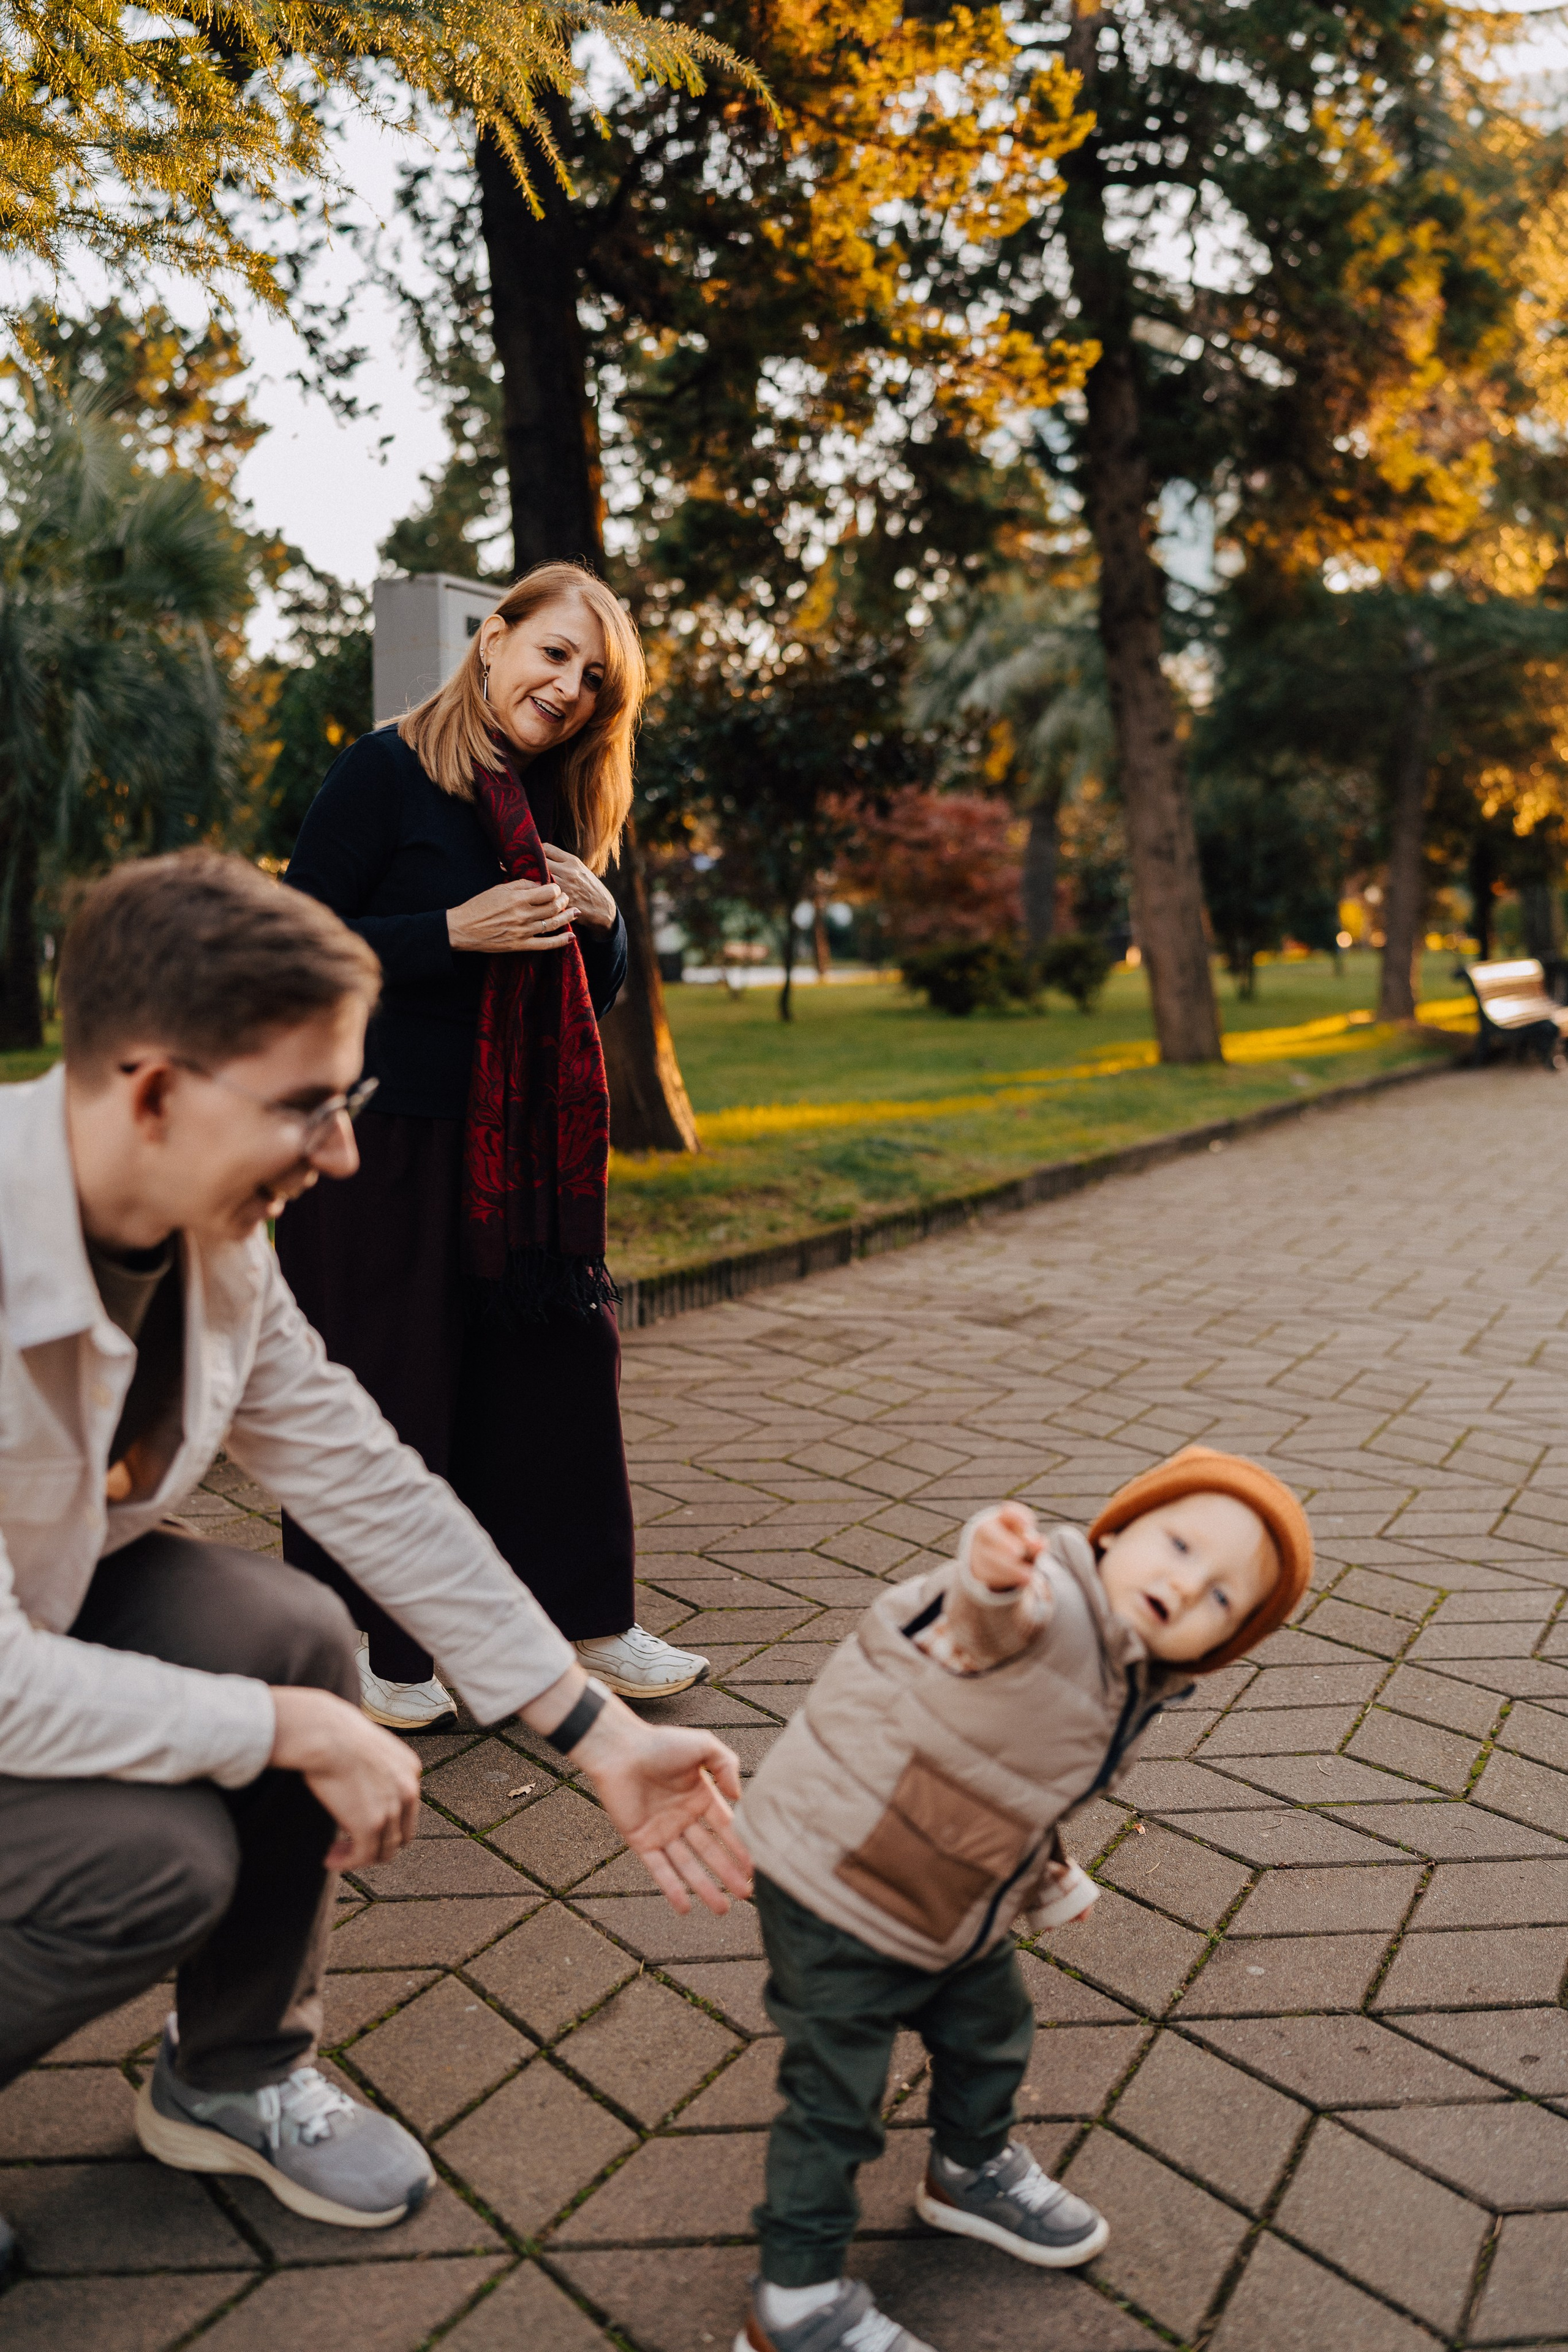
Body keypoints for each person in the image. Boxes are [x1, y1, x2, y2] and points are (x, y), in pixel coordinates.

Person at [0, 850, 751, 2282]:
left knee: (296, 1626)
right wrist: (290, 1733)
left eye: (344, 1102)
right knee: (148, 1864)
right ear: (151, 1090)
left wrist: (592, 1730)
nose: (342, 1155)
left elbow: (369, 1481)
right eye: (306, 1109)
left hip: (42, 1601)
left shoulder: (207, 1228)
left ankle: (230, 2076)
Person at [729, 1447, 1313, 2352]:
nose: (1189, 1587)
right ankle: (794, 2300)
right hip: (836, 1881)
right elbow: (982, 1622)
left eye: (1227, 1599)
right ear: (1116, 1532)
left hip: (952, 1893)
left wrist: (1044, 1875)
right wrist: (991, 1571)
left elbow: (1005, 1770)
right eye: (1182, 1545)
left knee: (991, 2029)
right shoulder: (1049, 1604)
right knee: (835, 2098)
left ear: (1228, 1645)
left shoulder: (1134, 1674)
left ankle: (968, 2170)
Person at [276, 559, 706, 1730]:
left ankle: (586, 1621)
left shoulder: (553, 800)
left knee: (556, 1368)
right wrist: (446, 932)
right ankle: (364, 1642)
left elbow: (585, 981)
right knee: (383, 1382)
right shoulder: (387, 771)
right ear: (492, 643)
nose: (568, 688)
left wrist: (608, 923)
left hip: (522, 1144)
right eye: (553, 653)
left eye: (593, 678)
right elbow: (299, 941)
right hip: (386, 1130)